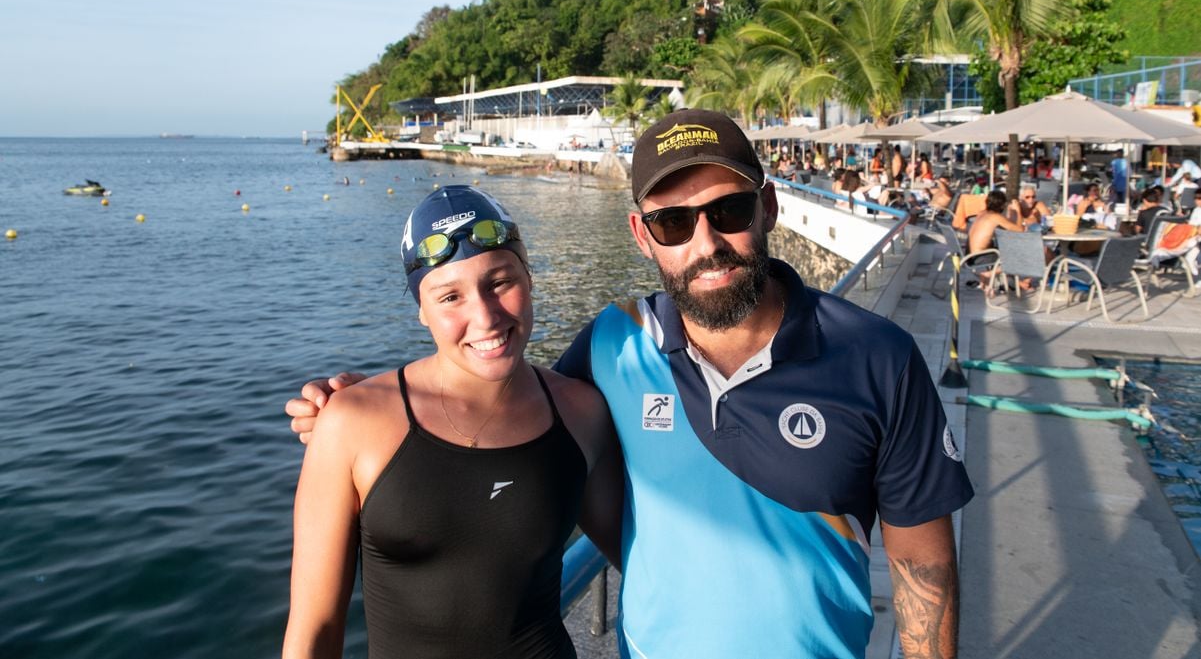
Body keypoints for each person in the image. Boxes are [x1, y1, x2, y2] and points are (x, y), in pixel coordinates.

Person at [289, 110, 973, 659]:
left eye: (728, 210)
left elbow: (922, 567)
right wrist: (359, 411)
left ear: (767, 207)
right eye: (674, 221)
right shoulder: (611, 349)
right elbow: (501, 410)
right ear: (642, 236)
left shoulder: (872, 354)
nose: (705, 242)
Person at [282, 186, 622, 659]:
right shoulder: (352, 422)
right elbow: (314, 629)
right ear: (421, 310)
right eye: (450, 297)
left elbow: (642, 556)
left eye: (500, 282)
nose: (484, 317)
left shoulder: (582, 413)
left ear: (529, 276)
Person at [968, 190, 1025, 255]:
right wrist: (1018, 210)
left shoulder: (982, 213)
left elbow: (1008, 227)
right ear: (1002, 205)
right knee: (1014, 255)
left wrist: (1009, 211)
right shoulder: (995, 217)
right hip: (982, 258)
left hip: (971, 257)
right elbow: (1020, 230)